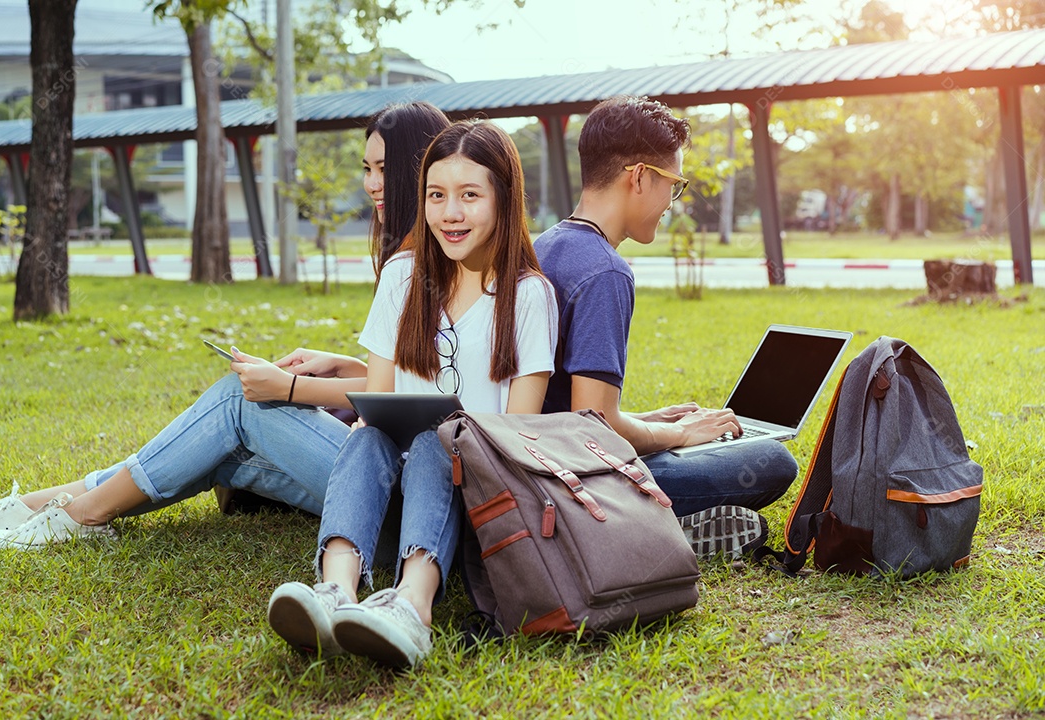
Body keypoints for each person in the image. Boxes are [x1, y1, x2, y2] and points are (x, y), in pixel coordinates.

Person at [0, 101, 452, 549]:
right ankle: (38, 507)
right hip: (395, 498)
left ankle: (77, 517)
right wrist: (343, 364)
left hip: (401, 501)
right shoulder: (435, 259)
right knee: (213, 448)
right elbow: (421, 380)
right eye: (366, 169)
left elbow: (394, 400)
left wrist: (287, 388)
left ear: (421, 169)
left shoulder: (416, 266)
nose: (371, 184)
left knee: (233, 403)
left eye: (384, 170)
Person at [266, 120, 558, 669]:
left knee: (433, 442)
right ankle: (336, 592)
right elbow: (378, 396)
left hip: (474, 495)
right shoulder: (403, 275)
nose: (451, 213)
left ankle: (412, 607)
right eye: (437, 195)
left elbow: (520, 434)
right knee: (369, 430)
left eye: (470, 196)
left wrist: (446, 435)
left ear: (504, 199)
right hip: (389, 494)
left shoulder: (528, 296)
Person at [533, 96, 798, 556]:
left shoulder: (544, 246)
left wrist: (651, 421)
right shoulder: (605, 271)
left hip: (533, 459)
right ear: (638, 177)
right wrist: (682, 435)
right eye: (672, 186)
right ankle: (644, 531)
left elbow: (569, 405)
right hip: (576, 477)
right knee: (774, 461)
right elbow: (593, 425)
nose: (670, 204)